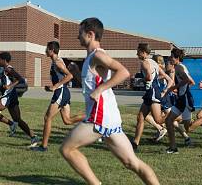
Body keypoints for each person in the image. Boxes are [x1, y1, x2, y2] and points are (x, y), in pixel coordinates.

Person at [60, 17, 160, 185]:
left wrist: (100, 89)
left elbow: (123, 72)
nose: (78, 37)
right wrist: (77, 72)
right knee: (131, 162)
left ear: (90, 34)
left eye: (80, 33)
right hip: (109, 118)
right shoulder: (91, 58)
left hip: (99, 117)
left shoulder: (98, 55)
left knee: (67, 149)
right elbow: (90, 86)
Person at [31, 41, 84, 152]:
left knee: (47, 117)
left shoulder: (57, 62)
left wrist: (56, 86)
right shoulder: (55, 61)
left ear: (51, 50)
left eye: (47, 49)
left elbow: (70, 76)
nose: (45, 51)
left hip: (61, 92)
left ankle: (43, 146)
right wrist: (51, 87)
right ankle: (91, 117)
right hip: (63, 92)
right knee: (67, 120)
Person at [0, 52, 38, 147]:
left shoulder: (9, 69)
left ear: (4, 60)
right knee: (17, 119)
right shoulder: (4, 69)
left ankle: (11, 124)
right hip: (12, 96)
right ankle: (33, 137)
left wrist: (9, 86)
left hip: (9, 96)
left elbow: (20, 79)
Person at [131, 45, 173, 151]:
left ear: (143, 52)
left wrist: (140, 80)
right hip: (151, 92)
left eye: (138, 51)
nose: (137, 54)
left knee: (158, 120)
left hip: (152, 93)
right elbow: (168, 79)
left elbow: (149, 76)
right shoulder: (154, 62)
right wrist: (165, 90)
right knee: (140, 117)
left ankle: (174, 116)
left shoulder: (145, 62)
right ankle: (135, 143)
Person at [165, 48, 195, 153]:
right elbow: (191, 82)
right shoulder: (179, 67)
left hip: (185, 99)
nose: (170, 59)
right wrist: (181, 90)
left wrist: (175, 87)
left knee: (189, 128)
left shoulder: (179, 67)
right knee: (168, 121)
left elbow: (188, 80)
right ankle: (173, 147)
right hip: (181, 99)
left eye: (172, 57)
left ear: (177, 58)